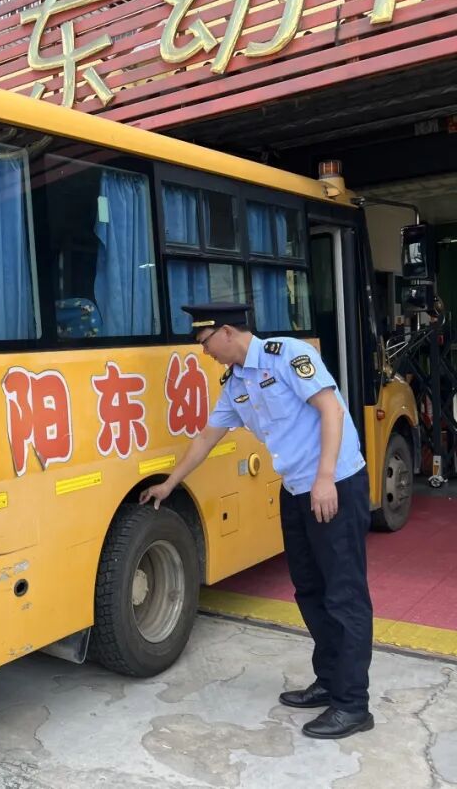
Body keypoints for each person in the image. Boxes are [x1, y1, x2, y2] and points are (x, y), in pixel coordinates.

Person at [140, 302, 374, 740]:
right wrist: (169, 484)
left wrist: (325, 478)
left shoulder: (287, 355)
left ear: (227, 332)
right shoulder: (235, 385)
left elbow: (332, 411)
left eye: (205, 342)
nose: (203, 351)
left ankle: (353, 704)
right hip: (296, 491)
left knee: (344, 594)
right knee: (310, 589)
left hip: (334, 484)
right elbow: (206, 437)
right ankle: (329, 680)